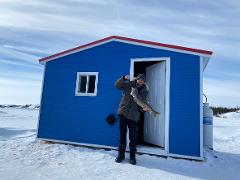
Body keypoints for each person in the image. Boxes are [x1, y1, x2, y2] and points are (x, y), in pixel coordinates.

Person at [114, 74, 149, 165]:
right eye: (139, 79)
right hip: (123, 113)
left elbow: (142, 104)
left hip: (134, 116)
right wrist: (123, 78)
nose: (140, 81)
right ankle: (120, 155)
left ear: (144, 81)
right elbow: (117, 85)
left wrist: (144, 109)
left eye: (142, 80)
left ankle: (132, 157)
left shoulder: (144, 91)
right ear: (136, 79)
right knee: (122, 136)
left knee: (133, 137)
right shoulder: (129, 84)